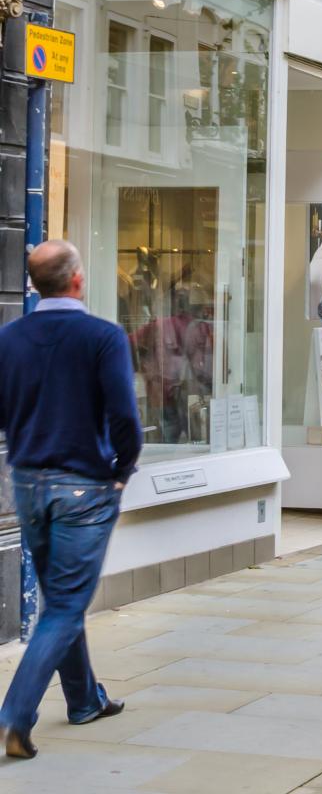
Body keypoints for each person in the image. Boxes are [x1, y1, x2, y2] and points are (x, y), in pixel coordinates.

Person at [0, 241, 140, 758]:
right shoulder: (103, 337)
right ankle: (14, 717)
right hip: (85, 486)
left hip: (29, 485)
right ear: (77, 280)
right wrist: (123, 469)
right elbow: (124, 415)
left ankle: (84, 700)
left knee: (62, 597)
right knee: (63, 604)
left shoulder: (9, 338)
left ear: (36, 284)